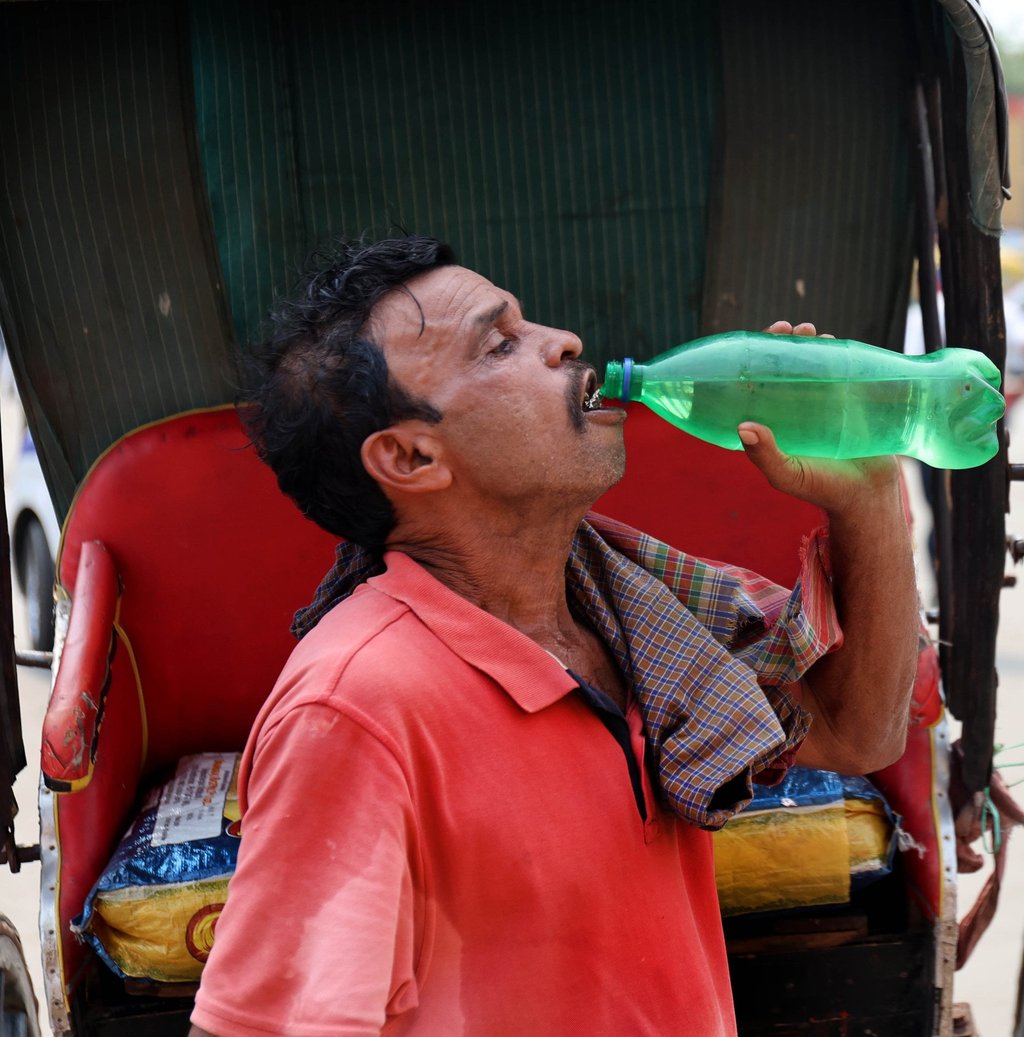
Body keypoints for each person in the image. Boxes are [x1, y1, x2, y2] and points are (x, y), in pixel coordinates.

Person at [189, 236, 919, 1036]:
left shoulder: (623, 608)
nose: (563, 341)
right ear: (410, 455)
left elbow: (862, 731)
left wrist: (870, 491)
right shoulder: (354, 710)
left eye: (527, 323)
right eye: (500, 342)